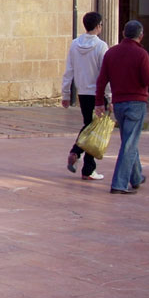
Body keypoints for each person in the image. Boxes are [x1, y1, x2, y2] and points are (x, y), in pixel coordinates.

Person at [96, 19, 149, 194]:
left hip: (119, 103)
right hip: (136, 102)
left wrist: (99, 102)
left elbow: (102, 80)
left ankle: (136, 177)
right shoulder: (141, 54)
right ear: (141, 36)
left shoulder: (111, 53)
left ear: (123, 34)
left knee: (129, 140)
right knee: (129, 143)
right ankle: (119, 183)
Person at [61, 11, 109, 180]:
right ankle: (86, 164)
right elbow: (105, 72)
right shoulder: (101, 46)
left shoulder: (75, 44)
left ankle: (82, 160)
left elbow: (69, 70)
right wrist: (109, 94)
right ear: (98, 26)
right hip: (97, 92)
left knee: (89, 125)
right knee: (94, 130)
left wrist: (66, 93)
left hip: (82, 91)